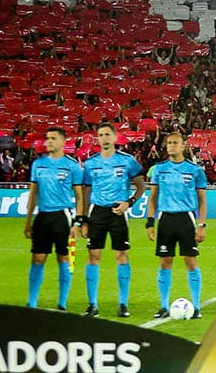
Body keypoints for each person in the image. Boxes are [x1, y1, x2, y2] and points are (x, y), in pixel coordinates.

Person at [81, 123, 146, 318]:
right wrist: (84, 220)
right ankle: (92, 305)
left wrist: (129, 202)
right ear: (98, 139)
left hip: (118, 213)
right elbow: (86, 192)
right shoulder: (90, 164)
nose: (104, 138)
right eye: (101, 135)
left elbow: (141, 186)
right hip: (97, 213)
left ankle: (123, 304)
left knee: (121, 256)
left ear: (115, 137)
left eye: (107, 134)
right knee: (93, 256)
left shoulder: (127, 161)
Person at [145, 132, 209, 320]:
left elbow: (202, 200)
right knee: (165, 262)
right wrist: (150, 222)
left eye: (175, 143)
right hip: (165, 219)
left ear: (183, 146)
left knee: (191, 261)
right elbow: (152, 198)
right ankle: (164, 306)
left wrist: (202, 224)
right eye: (169, 143)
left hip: (186, 219)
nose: (171, 146)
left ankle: (196, 306)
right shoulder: (159, 169)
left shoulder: (195, 170)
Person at [25, 126, 84, 311]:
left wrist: (78, 222)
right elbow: (33, 194)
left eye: (53, 138)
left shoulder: (72, 166)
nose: (49, 141)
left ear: (63, 142)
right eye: (48, 138)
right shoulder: (38, 164)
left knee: (63, 259)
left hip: (62, 216)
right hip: (42, 217)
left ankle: (62, 303)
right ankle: (32, 302)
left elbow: (80, 197)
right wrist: (28, 222)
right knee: (37, 259)